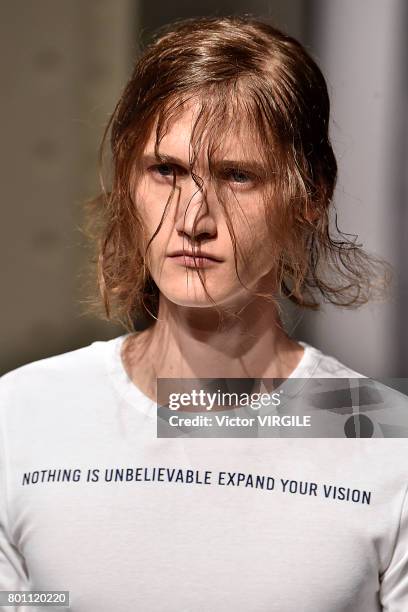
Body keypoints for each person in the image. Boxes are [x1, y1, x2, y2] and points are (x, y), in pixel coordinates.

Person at [0, 14, 407, 612]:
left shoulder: (387, 437)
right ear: (127, 181)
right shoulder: (23, 417)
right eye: (166, 171)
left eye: (237, 176)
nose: (193, 218)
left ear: (309, 197)